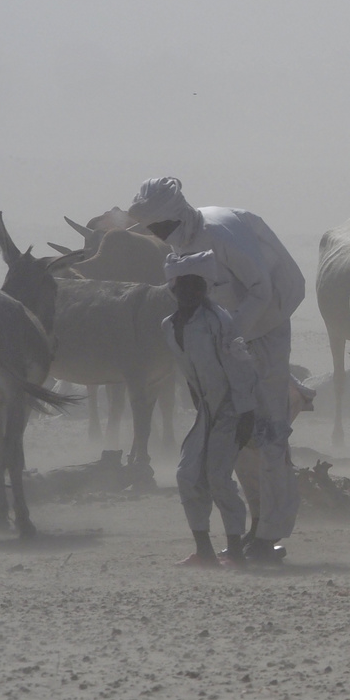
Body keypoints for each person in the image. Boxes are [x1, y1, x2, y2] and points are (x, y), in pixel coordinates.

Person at [128, 177, 305, 561]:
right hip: (226, 341)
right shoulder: (176, 247)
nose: (159, 235)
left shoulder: (222, 233)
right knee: (234, 435)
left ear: (177, 214)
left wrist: (231, 335)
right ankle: (249, 529)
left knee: (271, 436)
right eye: (153, 230)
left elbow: (262, 289)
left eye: (161, 227)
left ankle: (269, 536)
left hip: (267, 330)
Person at [163, 251, 258, 568]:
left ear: (204, 288)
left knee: (219, 478)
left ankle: (235, 550)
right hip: (206, 411)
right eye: (184, 286)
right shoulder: (169, 326)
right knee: (187, 476)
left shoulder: (219, 321)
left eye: (196, 286)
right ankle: (204, 551)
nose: (190, 292)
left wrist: (246, 414)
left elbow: (239, 368)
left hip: (231, 410)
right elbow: (189, 375)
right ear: (173, 288)